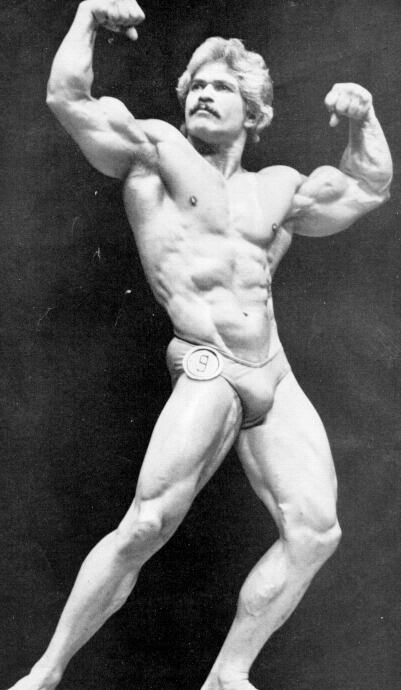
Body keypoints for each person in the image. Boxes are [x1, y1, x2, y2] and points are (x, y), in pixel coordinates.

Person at [9, 1, 393, 689]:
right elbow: (68, 98)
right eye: (197, 86)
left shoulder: (277, 189)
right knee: (148, 523)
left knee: (315, 532)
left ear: (253, 112)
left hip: (272, 373)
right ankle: (44, 674)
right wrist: (88, 14)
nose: (204, 95)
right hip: (207, 361)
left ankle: (227, 676)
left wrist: (363, 117)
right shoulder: (155, 151)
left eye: (221, 87)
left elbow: (368, 185)